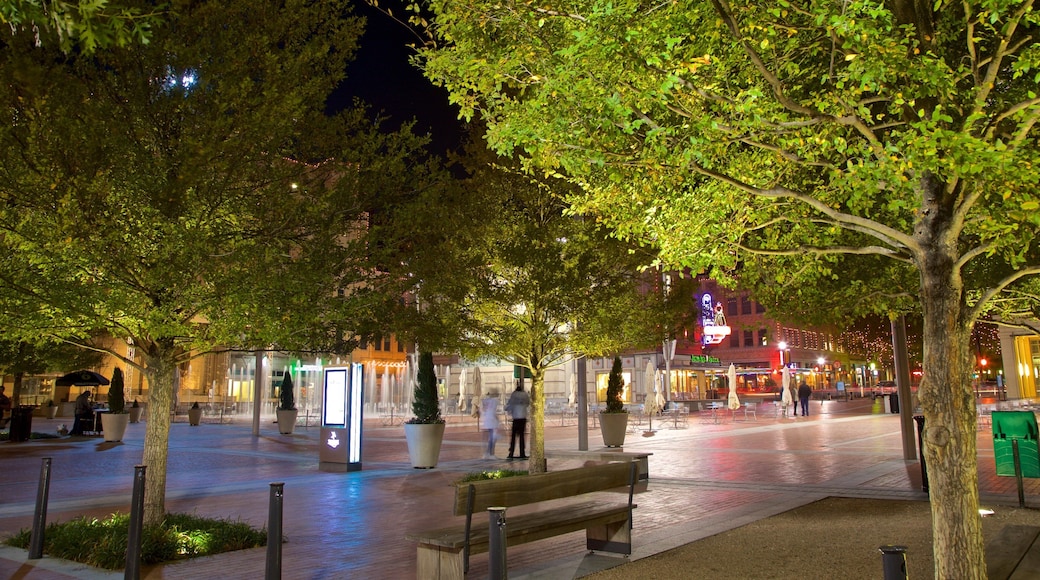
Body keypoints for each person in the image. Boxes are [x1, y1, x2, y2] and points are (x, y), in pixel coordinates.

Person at [505, 382, 531, 460]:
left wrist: (508, 409)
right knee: (522, 436)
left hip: (516, 418)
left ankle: (511, 453)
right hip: (523, 417)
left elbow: (509, 405)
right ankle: (522, 453)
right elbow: (528, 404)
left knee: (513, 437)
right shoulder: (525, 395)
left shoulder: (513, 395)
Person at [479, 390, 500, 459]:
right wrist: (498, 420)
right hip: (492, 421)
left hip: (487, 421)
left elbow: (483, 409)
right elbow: (493, 411)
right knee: (492, 438)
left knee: (489, 438)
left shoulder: (486, 401)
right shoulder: (495, 401)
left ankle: (487, 453)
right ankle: (491, 454)